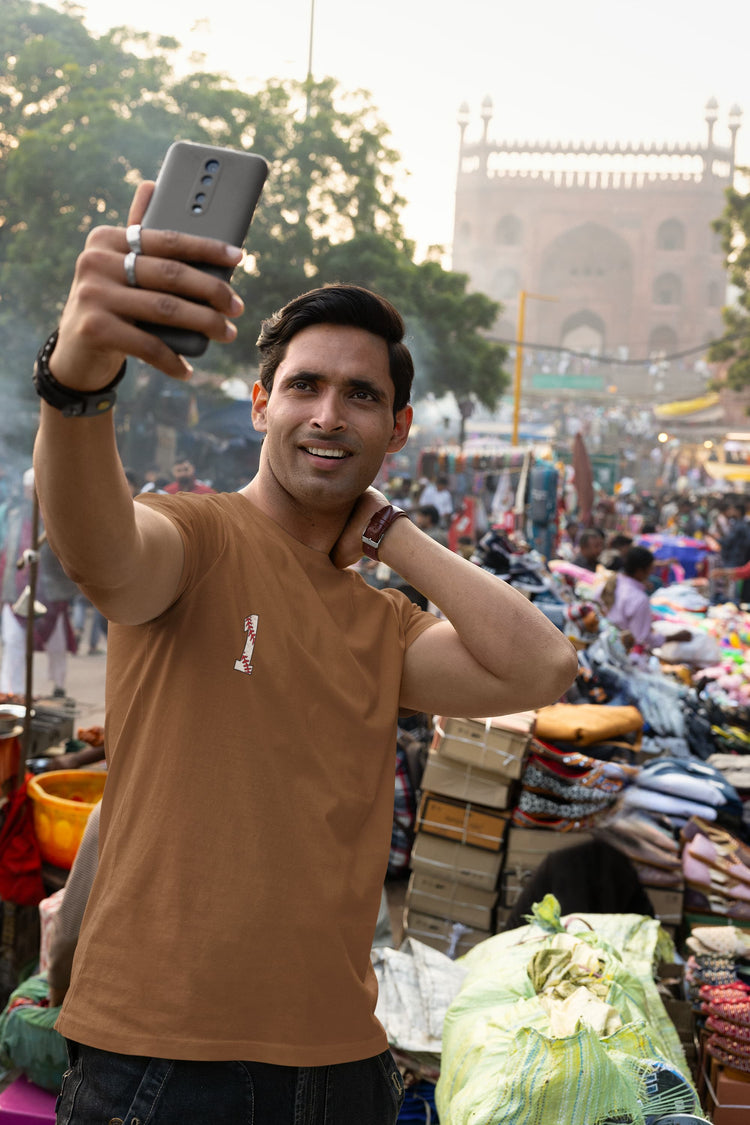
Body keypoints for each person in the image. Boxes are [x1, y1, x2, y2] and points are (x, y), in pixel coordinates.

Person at [31, 178, 577, 1125]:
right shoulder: (191, 538)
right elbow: (104, 552)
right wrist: (78, 380)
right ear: (259, 404)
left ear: (396, 431)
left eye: (361, 396)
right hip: (160, 1061)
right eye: (305, 387)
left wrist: (390, 534)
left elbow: (542, 666)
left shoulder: (384, 625)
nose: (329, 414)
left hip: (339, 1064)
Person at [0, 467, 78, 697]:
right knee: (13, 642)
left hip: (49, 591)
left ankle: (59, 685)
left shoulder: (59, 518)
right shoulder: (10, 514)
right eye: (30, 489)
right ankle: (12, 693)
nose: (33, 494)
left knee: (57, 644)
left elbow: (69, 552)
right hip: (16, 588)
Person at [606, 546, 692, 659]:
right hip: (621, 655)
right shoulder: (639, 599)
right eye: (650, 569)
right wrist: (675, 637)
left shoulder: (610, 583)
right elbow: (641, 639)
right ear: (640, 571)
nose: (652, 573)